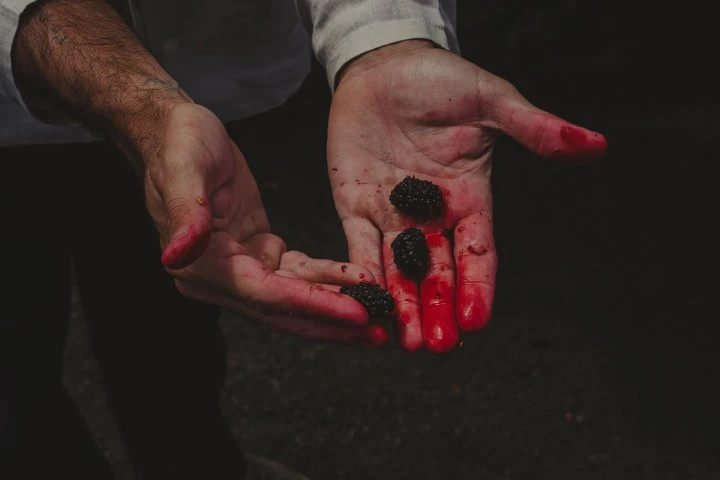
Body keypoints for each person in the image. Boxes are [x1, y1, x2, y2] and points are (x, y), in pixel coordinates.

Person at [0, 0, 607, 478]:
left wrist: (384, 38)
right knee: (15, 368)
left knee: (177, 317)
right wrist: (142, 107)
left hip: (204, 102)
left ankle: (198, 465)